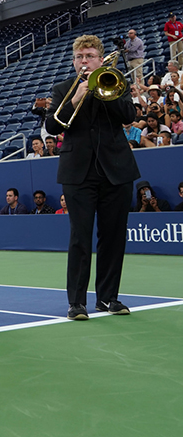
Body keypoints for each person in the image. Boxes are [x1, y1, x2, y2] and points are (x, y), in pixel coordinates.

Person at [46, 34, 138, 321]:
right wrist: (76, 98)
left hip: (116, 170)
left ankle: (108, 298)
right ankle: (76, 302)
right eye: (79, 57)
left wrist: (101, 91)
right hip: (78, 173)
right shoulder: (63, 88)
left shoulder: (116, 81)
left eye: (89, 56)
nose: (83, 62)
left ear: (101, 59)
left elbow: (128, 115)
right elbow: (51, 126)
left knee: (113, 237)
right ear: (74, 62)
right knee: (80, 238)